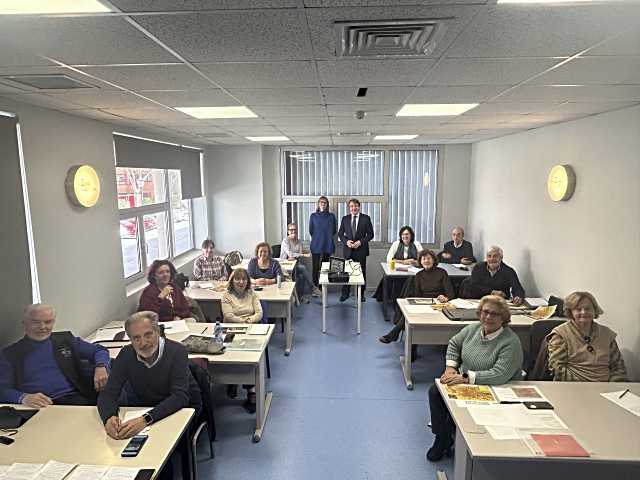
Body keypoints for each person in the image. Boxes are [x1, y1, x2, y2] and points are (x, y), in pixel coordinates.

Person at [426, 295, 524, 462]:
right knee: (435, 392)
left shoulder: (510, 342)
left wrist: (464, 378)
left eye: (495, 314)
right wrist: (451, 368)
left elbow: (500, 374)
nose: (488, 317)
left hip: (496, 387)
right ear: (479, 313)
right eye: (485, 312)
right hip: (465, 380)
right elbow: (454, 344)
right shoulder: (472, 329)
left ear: (504, 318)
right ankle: (442, 437)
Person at [97, 311, 202, 439]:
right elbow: (109, 393)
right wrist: (108, 417)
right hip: (148, 409)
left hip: (182, 409)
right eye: (136, 338)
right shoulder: (126, 354)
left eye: (148, 335)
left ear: (157, 332)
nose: (143, 343)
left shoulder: (177, 351)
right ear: (130, 340)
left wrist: (145, 419)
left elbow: (180, 397)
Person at [0, 304, 110, 407]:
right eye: (35, 322)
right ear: (24, 323)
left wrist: (101, 367)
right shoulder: (10, 354)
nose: (42, 327)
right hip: (40, 406)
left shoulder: (65, 340)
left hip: (75, 399)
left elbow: (99, 350)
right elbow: (3, 389)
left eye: (48, 322)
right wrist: (23, 398)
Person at [546, 291, 627, 382]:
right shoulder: (560, 334)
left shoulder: (607, 334)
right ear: (570, 312)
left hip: (606, 388)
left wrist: (612, 387)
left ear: (594, 310)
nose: (584, 312)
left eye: (588, 308)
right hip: (574, 387)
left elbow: (618, 367)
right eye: (578, 309)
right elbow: (558, 369)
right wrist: (586, 387)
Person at [379, 250, 454, 343]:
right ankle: (408, 345)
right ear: (420, 261)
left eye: (429, 258)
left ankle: (394, 334)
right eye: (424, 259)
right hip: (424, 303)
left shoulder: (442, 272)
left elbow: (451, 294)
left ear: (434, 260)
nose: (426, 261)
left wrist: (445, 298)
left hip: (439, 304)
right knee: (409, 315)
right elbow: (417, 295)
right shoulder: (419, 275)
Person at [221, 268, 263, 413]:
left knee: (250, 355)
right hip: (231, 330)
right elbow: (228, 315)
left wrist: (249, 321)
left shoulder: (252, 294)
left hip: (250, 329)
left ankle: (251, 390)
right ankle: (232, 380)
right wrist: (242, 322)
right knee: (225, 352)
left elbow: (259, 313)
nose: (241, 282)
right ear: (232, 280)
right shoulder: (226, 295)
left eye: (244, 279)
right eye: (237, 279)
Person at [338, 198, 374, 302]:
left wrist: (360, 242)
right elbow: (340, 234)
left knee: (361, 273)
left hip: (361, 250)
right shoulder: (345, 219)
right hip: (348, 250)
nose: (354, 208)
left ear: (359, 207)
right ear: (349, 208)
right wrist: (346, 242)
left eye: (356, 206)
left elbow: (371, 234)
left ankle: (361, 294)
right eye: (352, 206)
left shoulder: (366, 218)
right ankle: (345, 293)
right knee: (346, 273)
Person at [280, 222, 322, 303]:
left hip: (295, 264)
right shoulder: (285, 241)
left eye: (295, 230)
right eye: (291, 230)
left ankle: (300, 298)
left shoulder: (299, 241)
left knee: (301, 277)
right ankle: (313, 288)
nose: (293, 232)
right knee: (302, 268)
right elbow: (290, 254)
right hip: (285, 265)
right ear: (288, 231)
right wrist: (301, 254)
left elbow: (297, 254)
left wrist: (297, 255)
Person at [309, 196, 337, 287]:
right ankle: (314, 287)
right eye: (321, 202)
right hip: (316, 244)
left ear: (327, 205)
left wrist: (326, 237)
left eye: (325, 202)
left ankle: (322, 287)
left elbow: (334, 231)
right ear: (318, 204)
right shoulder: (313, 216)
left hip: (327, 244)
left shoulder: (331, 216)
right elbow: (311, 230)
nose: (323, 204)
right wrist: (319, 237)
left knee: (325, 267)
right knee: (315, 267)